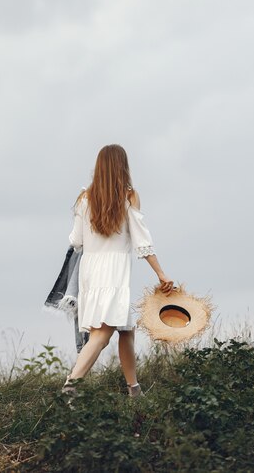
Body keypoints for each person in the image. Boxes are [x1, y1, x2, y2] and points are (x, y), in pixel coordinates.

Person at [62, 144, 173, 398]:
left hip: (90, 270)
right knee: (101, 336)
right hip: (113, 271)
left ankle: (134, 389)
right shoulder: (128, 195)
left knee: (125, 329)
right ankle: (71, 384)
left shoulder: (84, 198)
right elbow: (142, 241)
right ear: (123, 166)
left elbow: (76, 241)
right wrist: (161, 274)